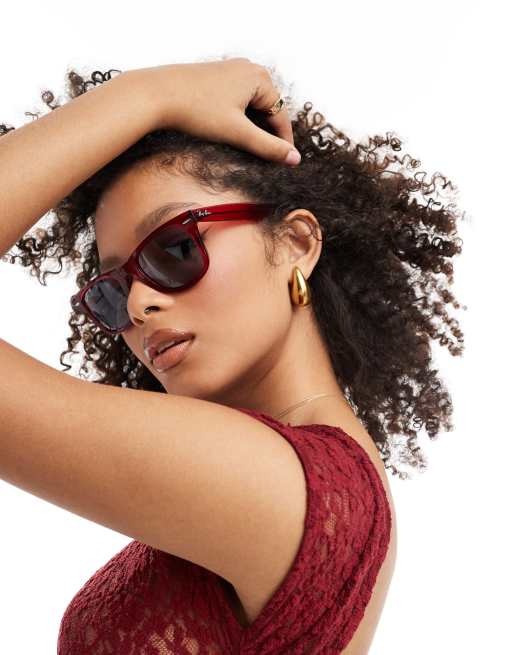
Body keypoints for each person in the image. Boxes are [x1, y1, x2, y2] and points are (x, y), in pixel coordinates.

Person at [0, 57, 465, 653]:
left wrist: (148, 96)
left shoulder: (284, 483)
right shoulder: (283, 478)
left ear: (296, 243)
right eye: (113, 290)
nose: (138, 304)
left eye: (174, 249)